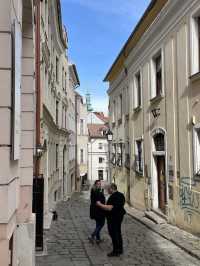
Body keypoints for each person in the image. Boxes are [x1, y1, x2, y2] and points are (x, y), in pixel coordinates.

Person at [97, 183, 126, 257]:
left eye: (108, 189)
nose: (107, 190)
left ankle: (116, 251)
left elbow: (110, 208)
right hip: (118, 217)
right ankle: (120, 249)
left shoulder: (115, 196)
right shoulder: (120, 195)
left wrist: (100, 205)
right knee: (118, 232)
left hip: (114, 218)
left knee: (113, 233)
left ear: (112, 189)